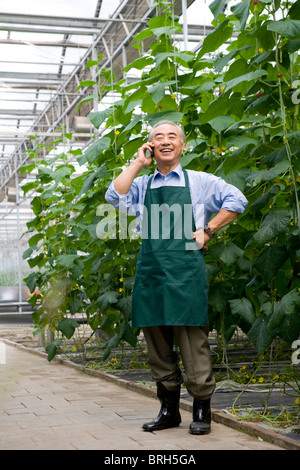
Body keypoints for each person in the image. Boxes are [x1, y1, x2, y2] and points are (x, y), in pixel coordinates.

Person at [105, 120, 248, 435]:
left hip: (185, 269)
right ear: (151, 146)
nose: (166, 141)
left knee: (191, 341)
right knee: (156, 342)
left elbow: (237, 200)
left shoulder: (199, 181)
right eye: (158, 137)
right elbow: (114, 198)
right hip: (151, 269)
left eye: (172, 136)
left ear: (182, 146)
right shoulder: (141, 185)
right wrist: (137, 163)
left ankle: (201, 410)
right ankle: (169, 409)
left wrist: (208, 229)